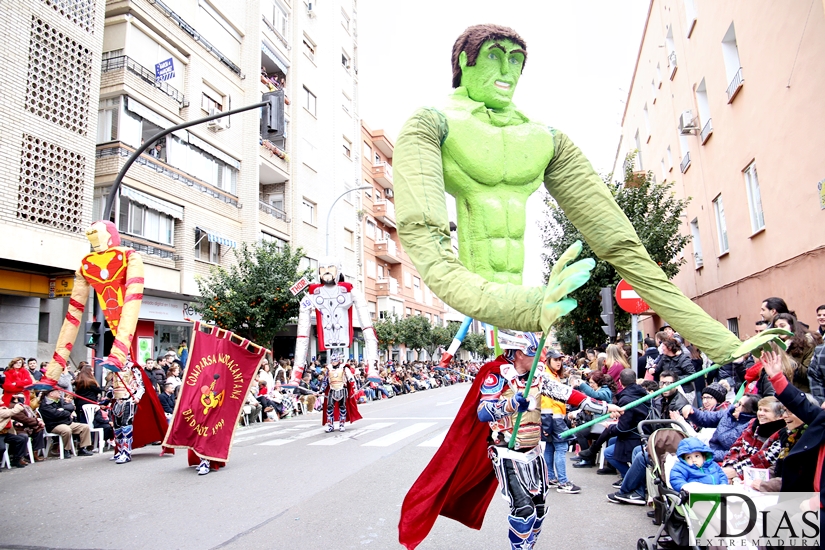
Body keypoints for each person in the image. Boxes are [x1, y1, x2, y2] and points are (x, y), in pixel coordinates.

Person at [399, 331, 615, 550]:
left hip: (533, 451)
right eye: (535, 353)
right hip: (507, 451)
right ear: (521, 353)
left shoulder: (537, 375)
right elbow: (483, 411)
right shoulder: (497, 375)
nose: (541, 359)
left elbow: (567, 393)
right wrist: (510, 405)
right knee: (523, 510)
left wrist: (606, 407)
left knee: (539, 509)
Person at [760, 348, 825, 513]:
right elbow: (801, 404)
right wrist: (777, 377)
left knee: (798, 522)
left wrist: (818, 503)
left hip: (820, 504)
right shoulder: (821, 419)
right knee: (772, 514)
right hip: (812, 496)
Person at [541, 348, 580, 494]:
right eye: (556, 359)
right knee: (561, 448)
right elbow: (546, 402)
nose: (559, 362)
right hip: (553, 418)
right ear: (549, 359)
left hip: (552, 418)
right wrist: (547, 423)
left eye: (560, 359)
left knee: (551, 447)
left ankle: (550, 478)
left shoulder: (551, 374)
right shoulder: (548, 376)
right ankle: (563, 482)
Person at [720, 396, 786, 480]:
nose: (761, 413)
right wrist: (729, 466)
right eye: (760, 409)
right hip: (735, 468)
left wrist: (736, 471)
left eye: (766, 411)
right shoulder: (753, 424)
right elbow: (736, 446)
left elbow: (764, 459)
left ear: (779, 416)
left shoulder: (781, 434)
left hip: (758, 476)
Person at [678, 394, 758, 462]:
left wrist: (707, 454)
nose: (735, 405)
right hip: (709, 449)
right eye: (737, 402)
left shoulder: (751, 426)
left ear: (749, 410)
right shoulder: (729, 412)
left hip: (725, 459)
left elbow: (736, 452)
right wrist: (692, 412)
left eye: (740, 404)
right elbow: (706, 418)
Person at [602, 370, 650, 481]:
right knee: (612, 441)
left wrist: (610, 427)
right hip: (643, 431)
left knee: (608, 453)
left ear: (620, 382)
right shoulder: (643, 394)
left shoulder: (626, 399)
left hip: (634, 436)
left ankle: (630, 477)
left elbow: (622, 428)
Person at [773, 312, 823, 393]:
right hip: (783, 391)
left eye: (782, 326)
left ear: (792, 327)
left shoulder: (807, 344)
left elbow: (809, 374)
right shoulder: (776, 345)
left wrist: (786, 358)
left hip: (802, 392)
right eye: (776, 327)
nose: (779, 329)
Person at [39, 388, 94, 457]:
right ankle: (66, 450)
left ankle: (82, 448)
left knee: (85, 427)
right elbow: (55, 415)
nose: (60, 393)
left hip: (67, 422)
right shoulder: (45, 405)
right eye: (57, 391)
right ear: (51, 394)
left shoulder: (60, 400)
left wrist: (62, 410)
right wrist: (66, 412)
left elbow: (71, 407)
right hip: (54, 425)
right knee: (66, 430)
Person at [321, 353, 360, 432]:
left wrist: (354, 388)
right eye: (332, 361)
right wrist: (321, 390)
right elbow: (325, 381)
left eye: (334, 361)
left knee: (342, 407)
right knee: (329, 408)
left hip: (342, 389)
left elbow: (351, 378)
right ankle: (330, 425)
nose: (333, 362)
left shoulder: (344, 368)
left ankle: (341, 425)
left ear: (338, 360)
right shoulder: (328, 368)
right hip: (332, 389)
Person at [9, 393, 46, 461]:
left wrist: (38, 420)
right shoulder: (12, 406)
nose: (23, 397)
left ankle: (35, 453)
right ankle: (21, 456)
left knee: (39, 429)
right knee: (23, 436)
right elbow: (24, 419)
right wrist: (37, 421)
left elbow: (32, 416)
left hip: (27, 426)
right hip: (17, 428)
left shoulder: (24, 406)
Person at [0, 401, 28, 468]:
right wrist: (18, 406)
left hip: (5, 433)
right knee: (1, 448)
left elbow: (6, 418)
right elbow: (11, 412)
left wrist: (14, 422)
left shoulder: (4, 409)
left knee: (20, 440)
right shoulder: (2, 411)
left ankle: (16, 460)